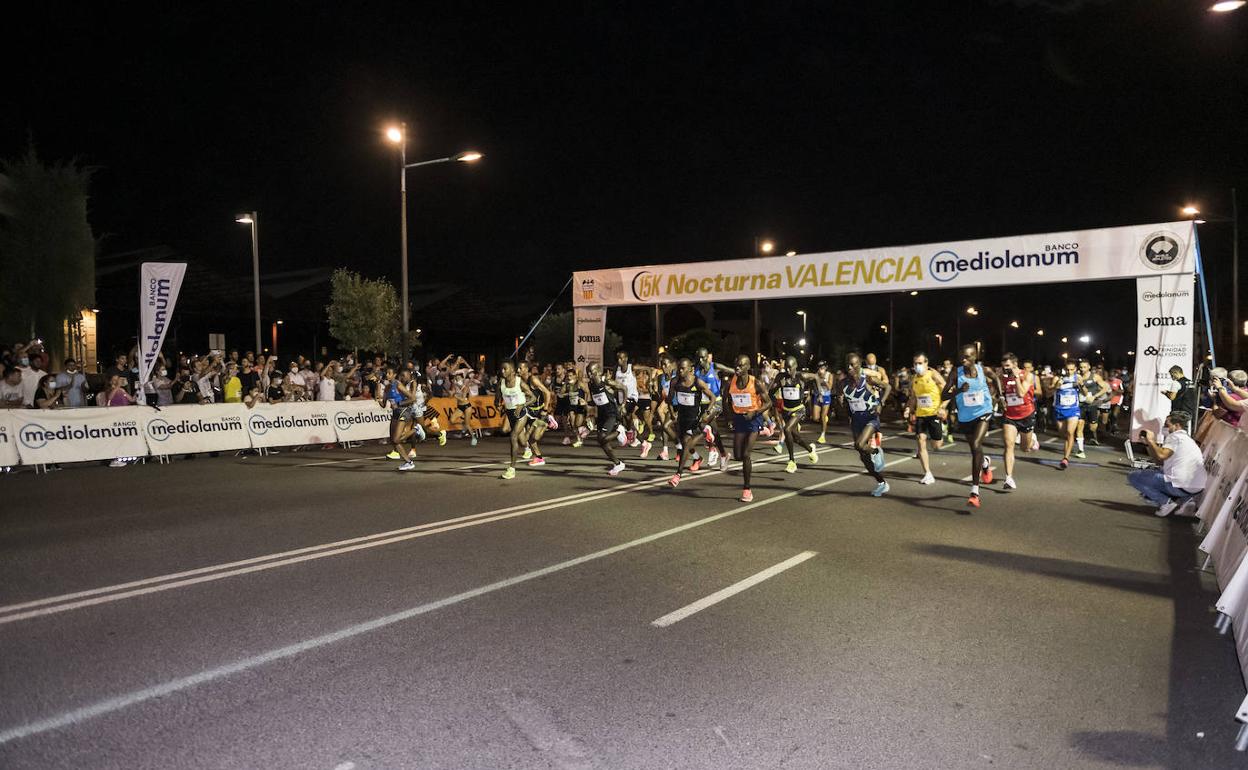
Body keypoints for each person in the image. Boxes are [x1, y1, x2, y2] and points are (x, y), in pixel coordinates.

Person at [945, 345, 995, 509]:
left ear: (975, 357)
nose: (963, 359)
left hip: (984, 412)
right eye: (962, 357)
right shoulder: (955, 373)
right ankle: (985, 464)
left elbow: (995, 377)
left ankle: (974, 492)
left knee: (975, 444)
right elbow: (943, 395)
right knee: (975, 450)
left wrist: (1000, 395)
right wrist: (958, 390)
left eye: (967, 357)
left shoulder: (983, 370)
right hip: (966, 417)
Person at [1129, 411, 1206, 517]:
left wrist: (1151, 441)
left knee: (1134, 477)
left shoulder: (1175, 437)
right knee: (1157, 471)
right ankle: (1186, 500)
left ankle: (1165, 502)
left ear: (1177, 425)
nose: (1165, 427)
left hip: (1180, 485)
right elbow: (1159, 461)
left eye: (1167, 425)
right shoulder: (1188, 440)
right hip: (1196, 487)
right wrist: (1148, 444)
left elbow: (1161, 456)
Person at [841, 352, 891, 497]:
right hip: (856, 420)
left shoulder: (868, 379)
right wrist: (843, 405)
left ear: (859, 365)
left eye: (853, 364)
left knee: (859, 444)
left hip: (871, 417)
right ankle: (882, 483)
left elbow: (887, 388)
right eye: (848, 364)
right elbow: (847, 403)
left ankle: (876, 451)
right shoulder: (843, 383)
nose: (850, 367)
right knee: (864, 457)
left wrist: (881, 403)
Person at [727, 354, 773, 502]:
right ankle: (763, 430)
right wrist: (730, 418)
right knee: (738, 456)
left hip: (754, 418)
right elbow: (727, 400)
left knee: (746, 455)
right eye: (736, 365)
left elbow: (768, 403)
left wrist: (755, 412)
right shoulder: (731, 383)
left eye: (741, 365)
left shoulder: (756, 383)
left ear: (748, 367)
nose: (737, 368)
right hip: (740, 418)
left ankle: (747, 489)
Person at [668, 357, 720, 487]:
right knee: (683, 441)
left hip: (694, 418)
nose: (680, 371)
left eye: (683, 368)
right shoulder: (675, 382)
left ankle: (677, 475)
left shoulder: (698, 382)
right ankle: (703, 440)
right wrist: (672, 413)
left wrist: (707, 413)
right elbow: (669, 399)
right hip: (682, 418)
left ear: (690, 369)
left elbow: (712, 398)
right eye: (679, 368)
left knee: (686, 443)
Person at [770, 356, 820, 474]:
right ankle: (810, 449)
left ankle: (792, 461)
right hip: (786, 410)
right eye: (786, 368)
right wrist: (775, 395)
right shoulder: (780, 377)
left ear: (795, 366)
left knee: (787, 430)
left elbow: (816, 376)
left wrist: (818, 392)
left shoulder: (801, 376)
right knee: (796, 438)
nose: (788, 370)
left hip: (799, 409)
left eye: (790, 367)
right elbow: (770, 392)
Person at [994, 352, 1036, 490]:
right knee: (1009, 445)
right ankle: (1009, 478)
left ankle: (1033, 440)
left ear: (1015, 364)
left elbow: (1021, 393)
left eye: (1008, 366)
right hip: (1010, 416)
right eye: (1003, 366)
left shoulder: (1027, 375)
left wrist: (1016, 377)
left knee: (1025, 448)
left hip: (1026, 414)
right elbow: (998, 393)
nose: (1005, 369)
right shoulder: (1002, 377)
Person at [907, 352, 947, 485]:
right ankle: (928, 474)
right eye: (915, 363)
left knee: (936, 445)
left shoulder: (933, 375)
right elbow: (913, 397)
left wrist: (943, 407)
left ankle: (942, 428)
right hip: (921, 414)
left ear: (926, 363)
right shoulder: (914, 379)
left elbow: (947, 391)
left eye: (920, 363)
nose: (917, 365)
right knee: (920, 440)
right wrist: (909, 409)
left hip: (935, 413)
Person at [586, 363, 627, 476]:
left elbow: (624, 388)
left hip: (612, 414)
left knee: (602, 438)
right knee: (601, 441)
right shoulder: (591, 384)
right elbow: (595, 400)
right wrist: (587, 406)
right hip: (602, 415)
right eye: (588, 372)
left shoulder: (607, 382)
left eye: (592, 371)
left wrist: (622, 404)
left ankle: (619, 430)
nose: (589, 374)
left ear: (599, 372)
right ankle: (618, 464)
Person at [694, 347, 730, 470]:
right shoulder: (696, 370)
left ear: (707, 357)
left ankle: (712, 449)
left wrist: (740, 373)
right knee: (714, 432)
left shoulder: (714, 367)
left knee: (702, 423)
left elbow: (731, 370)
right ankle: (724, 455)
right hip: (703, 403)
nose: (701, 360)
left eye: (703, 357)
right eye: (699, 357)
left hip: (716, 402)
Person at [497, 360, 534, 480]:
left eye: (505, 369)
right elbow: (497, 398)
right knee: (522, 441)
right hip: (510, 413)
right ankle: (527, 446)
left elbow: (533, 398)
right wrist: (498, 404)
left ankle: (511, 469)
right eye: (501, 369)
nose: (502, 371)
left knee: (513, 436)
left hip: (521, 413)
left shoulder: (520, 383)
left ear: (512, 370)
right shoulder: (501, 383)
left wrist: (522, 405)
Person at [1046, 360, 1083, 469]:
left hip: (1073, 409)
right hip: (1059, 409)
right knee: (1063, 434)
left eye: (1072, 369)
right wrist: (1056, 385)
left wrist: (1082, 385)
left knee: (1070, 432)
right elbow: (1049, 391)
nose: (1069, 371)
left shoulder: (1078, 378)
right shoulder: (1058, 378)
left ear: (1075, 369)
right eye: (1067, 369)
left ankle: (1065, 458)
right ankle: (1067, 450)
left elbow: (1084, 391)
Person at [1163, 366, 1198, 433]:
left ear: (1176, 373)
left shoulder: (1176, 383)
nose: (1172, 377)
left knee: (1170, 431)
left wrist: (1166, 393)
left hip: (1178, 412)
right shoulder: (1191, 383)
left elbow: (1172, 397)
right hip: (1190, 412)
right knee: (1185, 432)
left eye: (1172, 375)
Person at [811, 361, 833, 444]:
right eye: (819, 368)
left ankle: (822, 436)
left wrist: (823, 379)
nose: (821, 369)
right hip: (817, 396)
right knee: (815, 418)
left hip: (826, 396)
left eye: (822, 368)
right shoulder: (816, 375)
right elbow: (812, 385)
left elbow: (830, 387)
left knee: (823, 416)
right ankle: (824, 419)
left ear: (825, 368)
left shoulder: (829, 375)